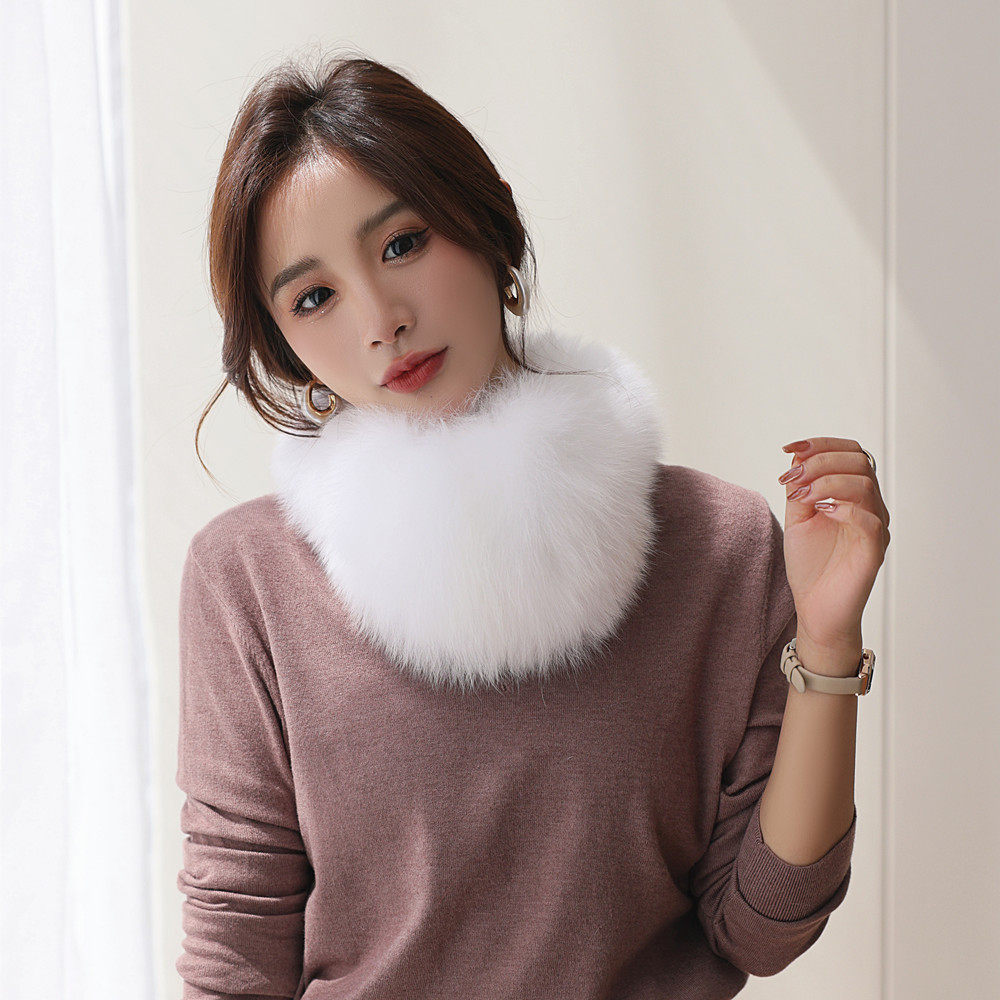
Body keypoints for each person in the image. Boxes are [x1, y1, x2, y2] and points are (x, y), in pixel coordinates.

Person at [176, 52, 864, 1000]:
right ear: (286, 347)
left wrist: (827, 647)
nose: (381, 318)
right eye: (314, 297)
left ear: (489, 222)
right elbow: (235, 955)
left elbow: (762, 927)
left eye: (402, 243)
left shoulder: (722, 547)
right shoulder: (249, 580)